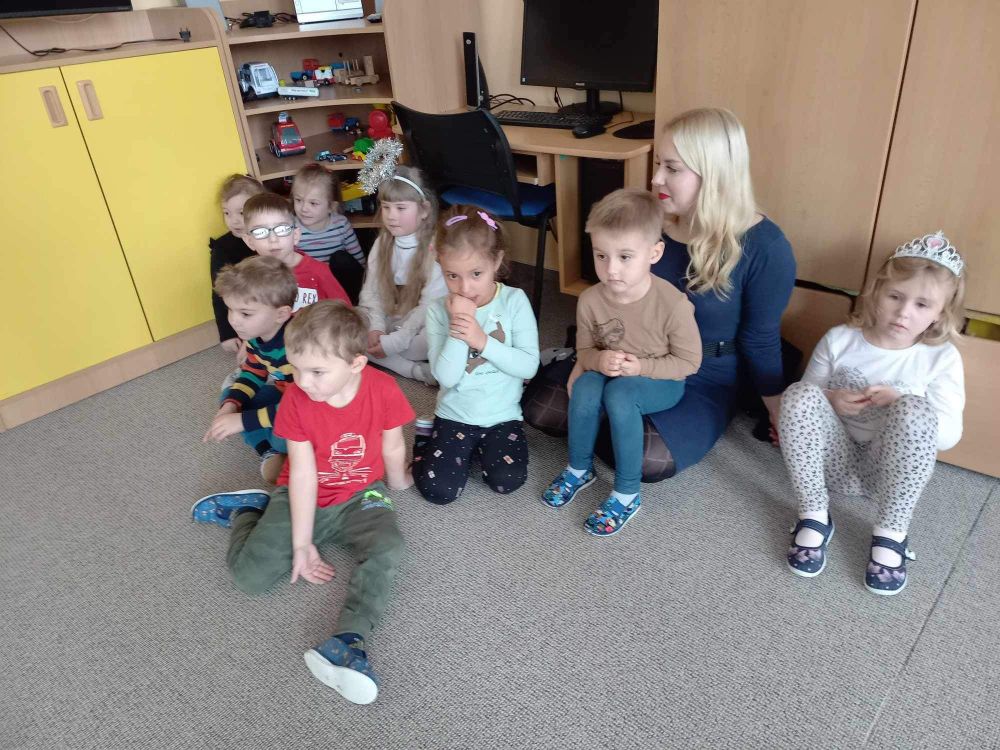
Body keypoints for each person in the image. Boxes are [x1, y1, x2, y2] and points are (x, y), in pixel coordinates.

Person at [523, 107, 796, 483]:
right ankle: (601, 415)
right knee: (540, 410)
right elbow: (608, 295)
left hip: (699, 372)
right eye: (657, 164)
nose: (656, 178)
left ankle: (608, 423)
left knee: (646, 459)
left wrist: (778, 409)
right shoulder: (651, 220)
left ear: (713, 174)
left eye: (672, 168)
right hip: (623, 350)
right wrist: (588, 360)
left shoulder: (766, 247)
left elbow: (760, 339)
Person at [192, 300, 414, 704]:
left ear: (356, 364)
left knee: (390, 547)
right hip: (303, 493)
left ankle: (348, 640)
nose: (303, 382)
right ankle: (246, 511)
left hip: (362, 494)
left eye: (317, 372)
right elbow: (303, 473)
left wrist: (398, 482)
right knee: (249, 579)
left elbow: (393, 444)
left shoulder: (383, 389)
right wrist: (301, 543)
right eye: (296, 368)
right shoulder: (295, 399)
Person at [780, 232, 966, 595]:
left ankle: (892, 533)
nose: (904, 312)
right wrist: (832, 398)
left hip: (889, 478)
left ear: (940, 314)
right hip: (832, 466)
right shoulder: (840, 339)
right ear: (876, 292)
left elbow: (947, 436)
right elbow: (805, 406)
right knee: (798, 394)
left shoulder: (940, 358)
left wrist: (901, 400)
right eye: (895, 296)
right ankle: (814, 515)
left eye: (922, 305)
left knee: (915, 409)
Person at [543, 189, 702, 536]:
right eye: (601, 255)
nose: (611, 269)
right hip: (611, 369)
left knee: (620, 395)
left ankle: (627, 493)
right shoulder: (590, 299)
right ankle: (579, 468)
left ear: (654, 253)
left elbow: (689, 362)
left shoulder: (673, 305)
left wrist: (640, 368)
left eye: (625, 257)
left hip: (661, 380)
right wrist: (598, 359)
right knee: (585, 386)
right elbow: (584, 350)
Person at [414, 206, 540, 504]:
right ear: (440, 264)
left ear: (496, 261)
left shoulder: (514, 301)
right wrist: (461, 325)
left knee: (507, 481)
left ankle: (472, 451)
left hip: (502, 416)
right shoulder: (437, 311)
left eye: (476, 274)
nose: (465, 288)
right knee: (438, 491)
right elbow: (445, 377)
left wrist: (482, 341)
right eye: (452, 276)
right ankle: (424, 439)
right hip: (454, 414)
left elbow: (528, 367)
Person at [203, 256, 297, 484]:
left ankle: (281, 451)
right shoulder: (256, 336)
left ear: (281, 314)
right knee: (231, 395)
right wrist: (231, 406)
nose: (234, 321)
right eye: (230, 310)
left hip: (311, 407)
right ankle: (270, 453)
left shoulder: (298, 348)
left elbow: (303, 407)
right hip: (286, 394)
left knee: (281, 438)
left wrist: (243, 421)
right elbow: (253, 372)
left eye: (245, 313)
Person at [357, 165, 446, 386]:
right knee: (347, 329)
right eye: (386, 207)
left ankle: (389, 357)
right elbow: (370, 293)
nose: (391, 216)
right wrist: (376, 328)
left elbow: (429, 306)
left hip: (417, 326)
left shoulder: (434, 248)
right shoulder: (382, 243)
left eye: (401, 208)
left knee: (439, 332)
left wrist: (396, 342)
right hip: (389, 320)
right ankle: (413, 370)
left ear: (424, 210)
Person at [242, 192, 351, 312]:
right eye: (260, 232)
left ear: (295, 235)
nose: (273, 239)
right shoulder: (248, 277)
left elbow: (346, 313)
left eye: (282, 229)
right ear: (249, 241)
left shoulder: (320, 272)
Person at [291, 163, 366, 304]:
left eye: (313, 203)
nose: (304, 208)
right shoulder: (292, 227)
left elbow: (359, 261)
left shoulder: (341, 224)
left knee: (341, 259)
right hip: (309, 288)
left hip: (340, 285)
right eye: (298, 200)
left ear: (331, 206)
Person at [209, 174, 264, 353]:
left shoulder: (267, 236)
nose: (233, 220)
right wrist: (227, 333)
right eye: (227, 213)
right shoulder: (223, 249)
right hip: (246, 314)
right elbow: (219, 292)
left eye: (241, 213)